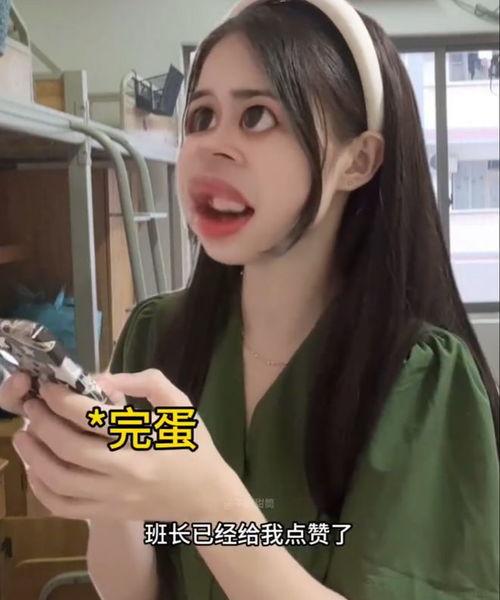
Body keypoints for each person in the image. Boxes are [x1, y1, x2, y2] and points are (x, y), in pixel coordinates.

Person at [1, 1, 499, 599]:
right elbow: (135, 591)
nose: (213, 146)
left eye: (258, 116)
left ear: (359, 160)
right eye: (202, 116)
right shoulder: (159, 337)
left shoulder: (420, 378)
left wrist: (208, 502)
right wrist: (105, 495)